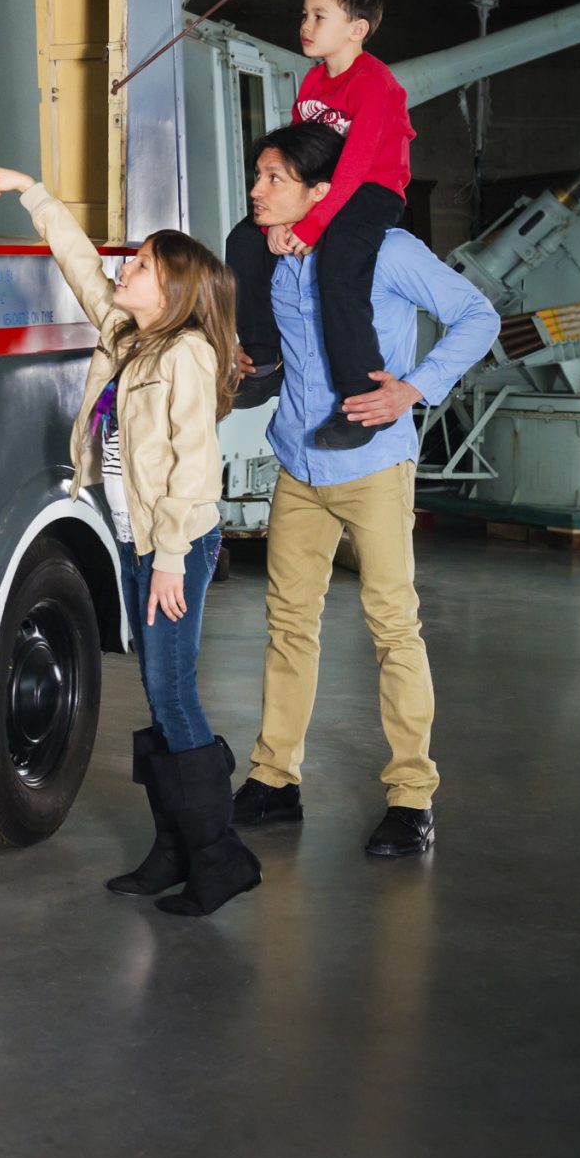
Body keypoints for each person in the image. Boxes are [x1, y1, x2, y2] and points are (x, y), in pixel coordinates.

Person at [0, 162, 260, 917]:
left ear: (175, 291)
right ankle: (173, 851)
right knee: (162, 697)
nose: (128, 269)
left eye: (146, 265)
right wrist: (33, 193)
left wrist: (166, 562)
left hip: (176, 544)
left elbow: (196, 470)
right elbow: (83, 265)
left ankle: (218, 857)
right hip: (137, 541)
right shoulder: (129, 335)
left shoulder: (187, 355)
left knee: (172, 692)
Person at [228, 122, 500, 858]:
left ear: (320, 191)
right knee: (289, 626)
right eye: (257, 176)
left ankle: (412, 798)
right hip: (298, 463)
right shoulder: (267, 255)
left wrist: (414, 388)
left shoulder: (388, 251)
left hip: (375, 466)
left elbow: (479, 315)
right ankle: (274, 779)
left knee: (392, 628)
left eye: (273, 178)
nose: (256, 190)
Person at [228, 0, 415, 451]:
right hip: (324, 188)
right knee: (244, 239)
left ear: (357, 29)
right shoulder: (313, 80)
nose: (305, 26)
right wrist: (286, 214)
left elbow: (354, 165)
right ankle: (264, 360)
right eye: (304, 15)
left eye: (319, 16)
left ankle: (363, 397)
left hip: (371, 189)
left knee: (337, 272)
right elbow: (299, 157)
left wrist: (308, 223)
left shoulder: (374, 82)